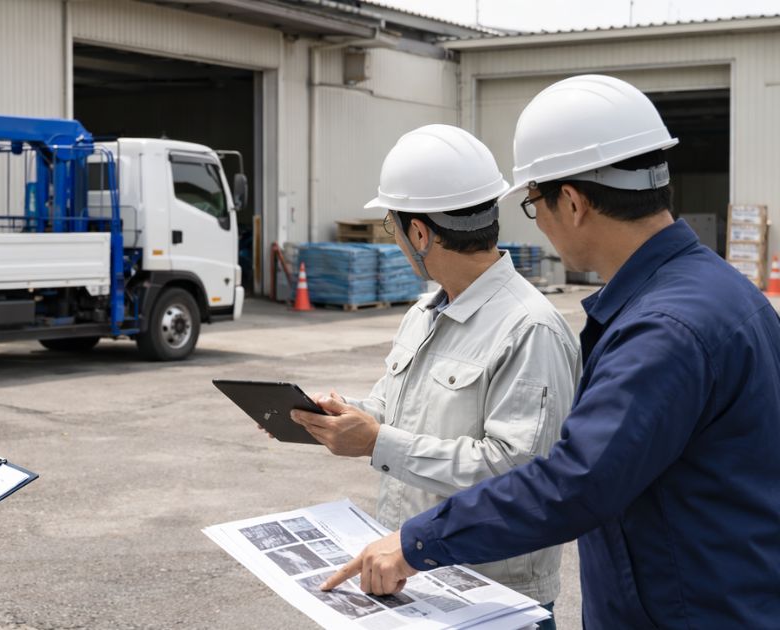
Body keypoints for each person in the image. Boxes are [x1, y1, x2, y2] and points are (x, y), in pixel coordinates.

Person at [322, 75, 780, 628]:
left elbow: (572, 484)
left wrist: (419, 542)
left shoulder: (664, 328)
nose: (536, 223)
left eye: (534, 202)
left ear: (572, 201)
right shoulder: (721, 293)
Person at [289, 124, 580, 627]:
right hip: (408, 575)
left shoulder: (529, 328)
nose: (397, 240)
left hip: (494, 602)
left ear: (419, 232)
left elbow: (519, 472)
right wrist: (337, 415)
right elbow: (394, 408)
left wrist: (377, 442)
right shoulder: (425, 312)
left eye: (392, 226)